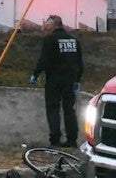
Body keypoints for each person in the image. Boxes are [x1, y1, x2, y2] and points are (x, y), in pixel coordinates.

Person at [30, 14, 83, 148]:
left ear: (54, 24)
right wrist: (77, 80)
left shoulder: (50, 39)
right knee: (69, 110)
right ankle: (72, 139)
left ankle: (55, 140)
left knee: (53, 109)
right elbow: (79, 63)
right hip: (70, 80)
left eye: (47, 23)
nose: (45, 25)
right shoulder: (73, 40)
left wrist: (35, 74)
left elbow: (43, 60)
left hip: (54, 79)